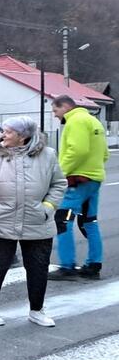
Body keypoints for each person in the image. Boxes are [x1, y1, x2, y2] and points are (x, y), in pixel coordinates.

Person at [0, 117, 66, 327]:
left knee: (38, 267)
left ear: (23, 136)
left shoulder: (48, 155)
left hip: (37, 220)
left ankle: (37, 310)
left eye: (9, 132)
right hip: (1, 220)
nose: (2, 135)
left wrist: (48, 208)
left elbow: (59, 184)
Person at [49, 95, 109, 280]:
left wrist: (60, 173)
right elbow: (105, 154)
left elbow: (78, 150)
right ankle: (93, 265)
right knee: (90, 221)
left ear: (66, 107)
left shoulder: (75, 121)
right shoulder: (93, 121)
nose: (55, 115)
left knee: (63, 219)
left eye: (55, 110)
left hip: (78, 180)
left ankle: (67, 266)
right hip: (93, 179)